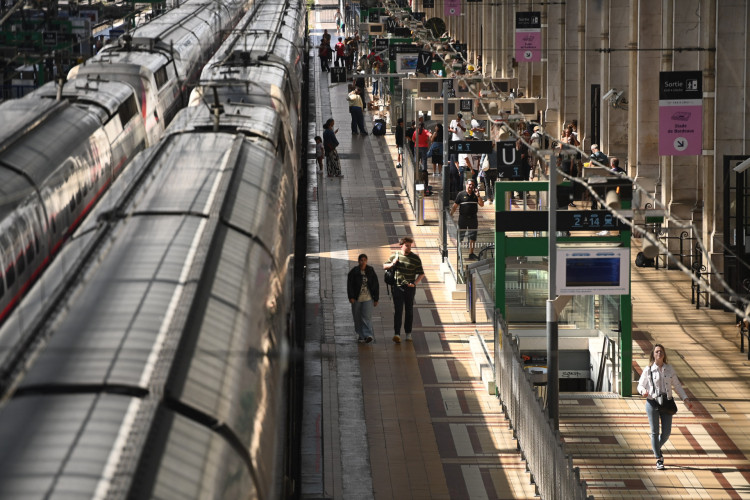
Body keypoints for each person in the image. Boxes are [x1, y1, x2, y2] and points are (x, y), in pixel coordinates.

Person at [637, 344, 693, 470]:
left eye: (661, 351)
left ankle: (655, 447)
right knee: (654, 432)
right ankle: (658, 458)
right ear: (653, 355)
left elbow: (677, 385)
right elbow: (640, 385)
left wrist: (685, 398)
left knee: (666, 433)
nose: (659, 353)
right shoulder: (648, 369)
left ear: (664, 354)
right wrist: (643, 392)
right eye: (657, 352)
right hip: (652, 403)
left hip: (667, 403)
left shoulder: (669, 369)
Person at [383, 237, 425, 343]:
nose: (409, 247)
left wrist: (415, 283)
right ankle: (397, 333)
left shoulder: (415, 258)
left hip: (410, 288)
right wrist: (393, 263)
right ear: (401, 245)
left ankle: (408, 333)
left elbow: (421, 273)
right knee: (398, 311)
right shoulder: (395, 255)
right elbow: (384, 266)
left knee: (409, 311)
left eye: (410, 245)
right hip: (398, 287)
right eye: (407, 245)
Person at [347, 254, 379, 343]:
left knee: (366, 317)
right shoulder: (354, 272)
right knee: (357, 317)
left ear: (367, 261)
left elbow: (375, 285)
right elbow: (350, 285)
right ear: (358, 261)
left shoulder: (370, 270)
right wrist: (351, 297)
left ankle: (368, 335)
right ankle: (360, 335)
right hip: (357, 298)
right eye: (361, 260)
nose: (363, 262)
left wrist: (376, 298)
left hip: (368, 298)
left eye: (365, 260)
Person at [450, 178, 484, 260]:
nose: (471, 186)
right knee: (460, 237)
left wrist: (478, 196)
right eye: (469, 184)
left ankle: (471, 253)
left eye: (472, 185)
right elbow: (455, 206)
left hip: (473, 219)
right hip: (463, 219)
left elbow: (482, 204)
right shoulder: (461, 194)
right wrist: (450, 215)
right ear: (466, 185)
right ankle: (458, 253)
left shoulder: (475, 195)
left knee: (473, 237)